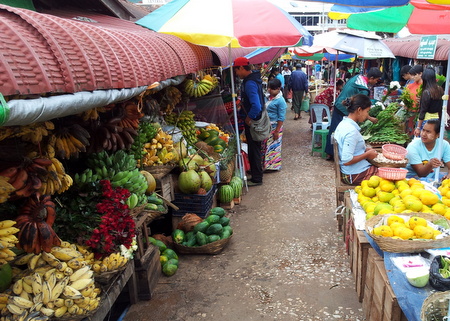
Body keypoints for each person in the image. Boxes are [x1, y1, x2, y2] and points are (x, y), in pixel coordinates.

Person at [324, 67, 382, 160]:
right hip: (343, 109)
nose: (376, 82)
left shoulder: (357, 77)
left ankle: (331, 153)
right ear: (371, 78)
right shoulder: (364, 88)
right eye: (376, 79)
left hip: (339, 103)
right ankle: (337, 154)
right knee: (339, 132)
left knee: (335, 130)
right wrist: (370, 118)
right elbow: (362, 108)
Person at [334, 94, 379, 185]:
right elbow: (347, 160)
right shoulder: (351, 131)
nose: (367, 115)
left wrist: (364, 150)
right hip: (354, 174)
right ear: (359, 110)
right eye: (367, 111)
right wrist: (366, 155)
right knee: (391, 176)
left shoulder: (343, 124)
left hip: (351, 172)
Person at [234, 57, 264, 186]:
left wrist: (248, 118)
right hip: (256, 120)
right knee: (254, 148)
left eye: (236, 70)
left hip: (254, 122)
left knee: (254, 149)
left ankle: (257, 178)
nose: (236, 73)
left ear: (241, 68)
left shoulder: (250, 83)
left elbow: (256, 105)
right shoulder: (252, 80)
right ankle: (256, 173)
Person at [262, 78, 287, 171]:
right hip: (267, 125)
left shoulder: (281, 101)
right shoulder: (267, 97)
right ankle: (267, 165)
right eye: (269, 87)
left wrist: (277, 131)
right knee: (267, 146)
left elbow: (281, 118)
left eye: (272, 88)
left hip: (275, 126)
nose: (269, 90)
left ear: (278, 89)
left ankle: (273, 166)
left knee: (274, 146)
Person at [414, 67, 444, 137]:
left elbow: (423, 111)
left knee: (421, 140)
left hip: (426, 120)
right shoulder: (440, 89)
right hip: (437, 119)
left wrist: (418, 127)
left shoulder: (426, 92)